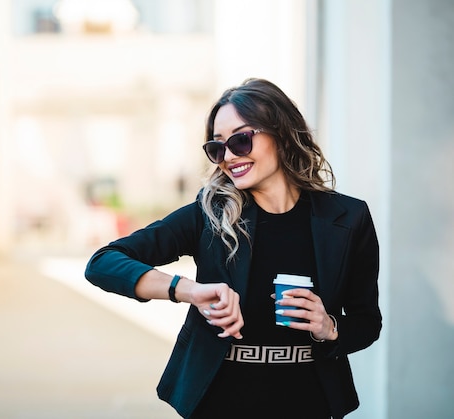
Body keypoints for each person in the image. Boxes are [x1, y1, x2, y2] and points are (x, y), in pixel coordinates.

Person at [84, 78, 381, 418]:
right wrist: (189, 291)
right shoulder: (208, 214)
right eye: (217, 147)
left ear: (281, 134)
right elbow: (103, 263)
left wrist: (329, 326)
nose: (227, 157)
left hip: (310, 399)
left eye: (240, 140)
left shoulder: (347, 219)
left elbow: (367, 322)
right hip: (220, 398)